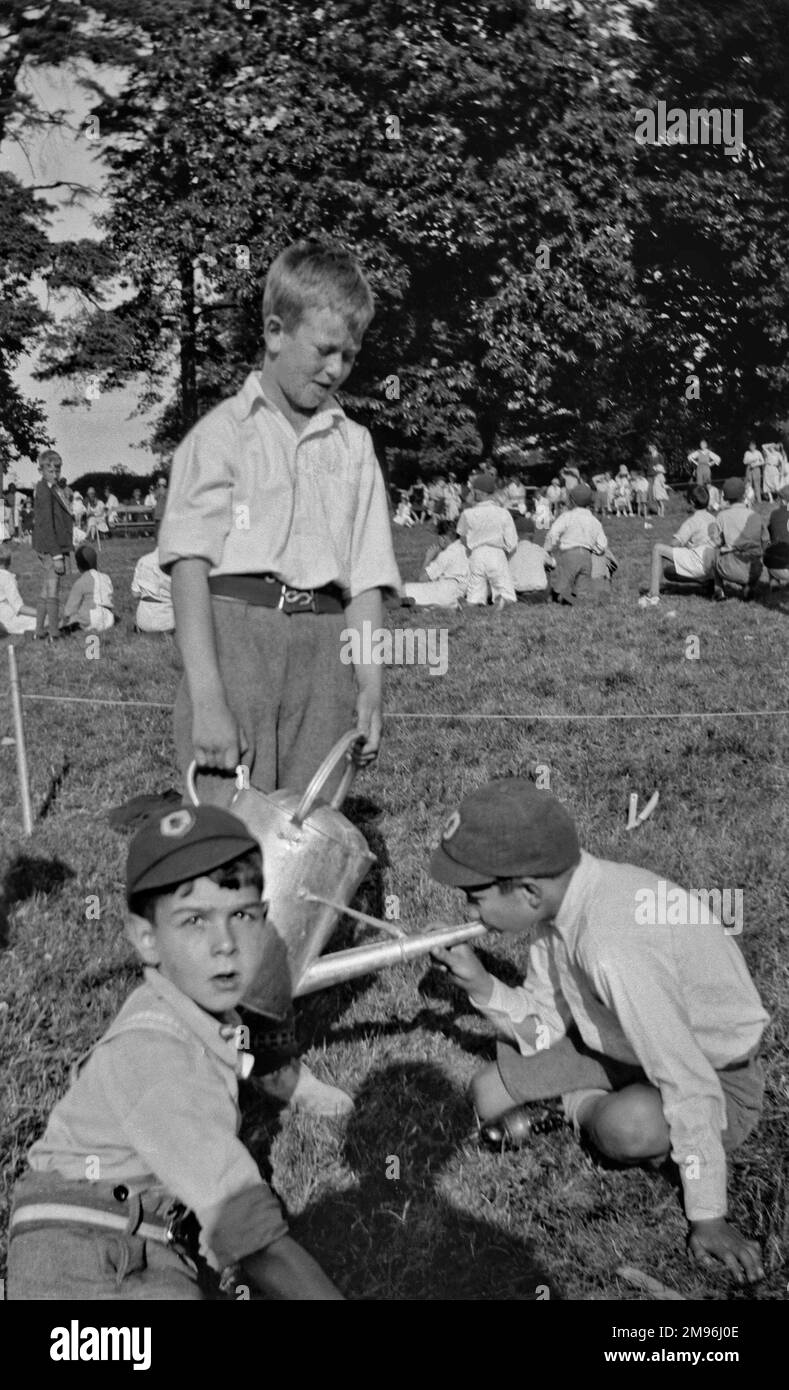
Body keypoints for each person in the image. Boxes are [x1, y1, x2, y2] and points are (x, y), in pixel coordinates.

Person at [157, 239, 402, 1118]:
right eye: (322, 350)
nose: (336, 369)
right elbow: (187, 567)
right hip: (234, 638)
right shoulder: (219, 436)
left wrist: (370, 682)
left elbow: (368, 579)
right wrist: (211, 693)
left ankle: (268, 1057)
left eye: (349, 355)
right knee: (219, 854)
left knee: (289, 869)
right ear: (272, 331)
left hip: (323, 644)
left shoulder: (355, 446)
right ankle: (183, 1050)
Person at [429, 778, 768, 1285]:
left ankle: (580, 1106)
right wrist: (481, 984)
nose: (469, 913)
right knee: (486, 1093)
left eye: (474, 898)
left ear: (526, 890)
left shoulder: (614, 946)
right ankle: (582, 1097)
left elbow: (688, 1080)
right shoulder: (557, 904)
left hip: (717, 1080)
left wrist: (708, 1216)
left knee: (626, 1128)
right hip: (619, 1042)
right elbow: (543, 1023)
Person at [6, 804, 344, 1301]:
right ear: (146, 939)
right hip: (85, 1254)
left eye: (243, 916)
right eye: (193, 921)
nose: (224, 944)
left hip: (130, 1238)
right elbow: (254, 1236)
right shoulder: (159, 1056)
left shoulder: (193, 1016)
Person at [638, 485, 717, 607]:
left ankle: (653, 594)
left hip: (700, 562)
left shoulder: (692, 521)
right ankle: (708, 583)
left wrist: (685, 546)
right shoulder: (714, 518)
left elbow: (674, 544)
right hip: (714, 566)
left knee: (658, 549)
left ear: (691, 502)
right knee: (669, 572)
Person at [456, 474, 517, 608]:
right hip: (497, 553)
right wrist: (506, 554)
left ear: (478, 492)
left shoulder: (467, 514)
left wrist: (470, 551)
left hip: (476, 554)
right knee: (506, 592)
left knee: (474, 594)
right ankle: (501, 600)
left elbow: (462, 537)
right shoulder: (503, 513)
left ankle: (470, 605)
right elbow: (512, 542)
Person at [32, 449, 73, 641]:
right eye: (51, 471)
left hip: (52, 545)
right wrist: (57, 555)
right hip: (51, 548)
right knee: (53, 588)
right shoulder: (44, 490)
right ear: (41, 470)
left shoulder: (52, 488)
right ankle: (54, 634)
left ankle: (39, 631)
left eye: (57, 470)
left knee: (45, 589)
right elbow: (47, 525)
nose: (55, 474)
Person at [544, 482, 607, 605]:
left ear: (572, 501)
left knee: (562, 583)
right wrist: (595, 550)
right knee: (582, 587)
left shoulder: (567, 516)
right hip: (587, 557)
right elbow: (602, 544)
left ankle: (557, 598)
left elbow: (553, 534)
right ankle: (578, 601)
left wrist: (548, 549)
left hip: (569, 555)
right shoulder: (594, 521)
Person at [710, 477, 767, 601]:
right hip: (754, 568)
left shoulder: (722, 516)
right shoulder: (755, 515)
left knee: (714, 551)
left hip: (730, 567)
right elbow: (765, 540)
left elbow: (716, 542)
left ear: (725, 497)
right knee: (753, 556)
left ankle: (719, 589)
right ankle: (749, 585)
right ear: (744, 495)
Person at [403, 520, 469, 608]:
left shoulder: (446, 554)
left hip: (445, 590)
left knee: (404, 589)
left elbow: (422, 579)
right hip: (460, 592)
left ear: (443, 538)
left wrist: (428, 558)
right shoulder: (463, 550)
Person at [61, 543, 115, 633]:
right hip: (109, 619)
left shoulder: (81, 582)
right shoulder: (106, 577)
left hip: (91, 619)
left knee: (71, 618)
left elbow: (69, 611)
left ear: (78, 565)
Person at [507, 514, 554, 602]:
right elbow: (554, 564)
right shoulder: (538, 550)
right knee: (547, 567)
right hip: (539, 596)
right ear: (532, 534)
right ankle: (549, 597)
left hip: (516, 594)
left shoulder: (511, 552)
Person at [132, 546, 176, 631]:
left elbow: (135, 594)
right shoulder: (177, 564)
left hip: (143, 620)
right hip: (168, 620)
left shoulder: (143, 561)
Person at [0, 546, 37, 633]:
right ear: (9, 562)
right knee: (47, 619)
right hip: (7, 618)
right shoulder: (7, 578)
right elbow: (19, 607)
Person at [763, 484, 789, 586]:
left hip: (776, 567)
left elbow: (770, 533)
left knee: (772, 547)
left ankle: (774, 583)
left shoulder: (775, 514)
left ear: (783, 500)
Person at [743, 440, 765, 505]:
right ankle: (750, 500)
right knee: (748, 484)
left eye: (753, 446)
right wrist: (751, 460)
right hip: (749, 468)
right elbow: (744, 462)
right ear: (749, 447)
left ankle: (759, 500)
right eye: (750, 446)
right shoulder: (747, 453)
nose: (751, 447)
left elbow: (763, 461)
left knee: (757, 484)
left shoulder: (758, 452)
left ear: (755, 446)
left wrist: (756, 464)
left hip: (756, 469)